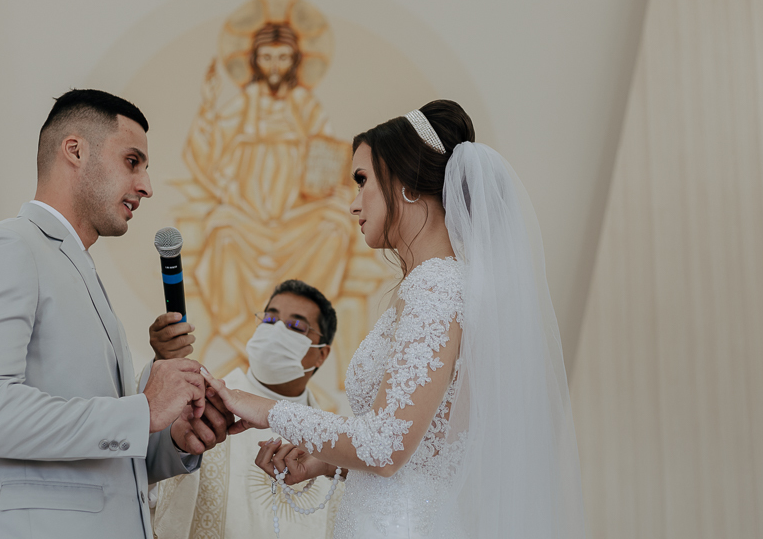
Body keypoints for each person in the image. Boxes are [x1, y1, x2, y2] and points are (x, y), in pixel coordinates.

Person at [201, 100, 587, 538]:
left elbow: (385, 445)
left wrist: (265, 408)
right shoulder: (446, 285)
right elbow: (427, 442)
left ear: (404, 182)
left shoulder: (437, 287)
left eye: (362, 180)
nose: (353, 203)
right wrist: (322, 461)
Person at [0, 89, 232, 539]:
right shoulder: (8, 249)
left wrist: (172, 440)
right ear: (75, 150)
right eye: (133, 161)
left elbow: (97, 460)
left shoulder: (81, 274)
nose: (147, 185)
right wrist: (142, 410)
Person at [175, 17, 389, 375]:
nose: (275, 66)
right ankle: (248, 333)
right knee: (222, 234)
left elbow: (328, 155)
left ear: (294, 62)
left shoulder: (306, 105)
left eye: (283, 58)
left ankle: (299, 326)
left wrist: (334, 183)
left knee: (335, 227)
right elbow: (207, 151)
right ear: (256, 61)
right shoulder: (245, 103)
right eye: (268, 57)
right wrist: (208, 107)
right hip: (246, 212)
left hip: (297, 213)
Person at [143, 280, 342, 539]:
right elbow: (146, 481)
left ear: (321, 354)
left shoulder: (332, 438)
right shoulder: (204, 405)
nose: (277, 330)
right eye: (270, 320)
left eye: (295, 326)